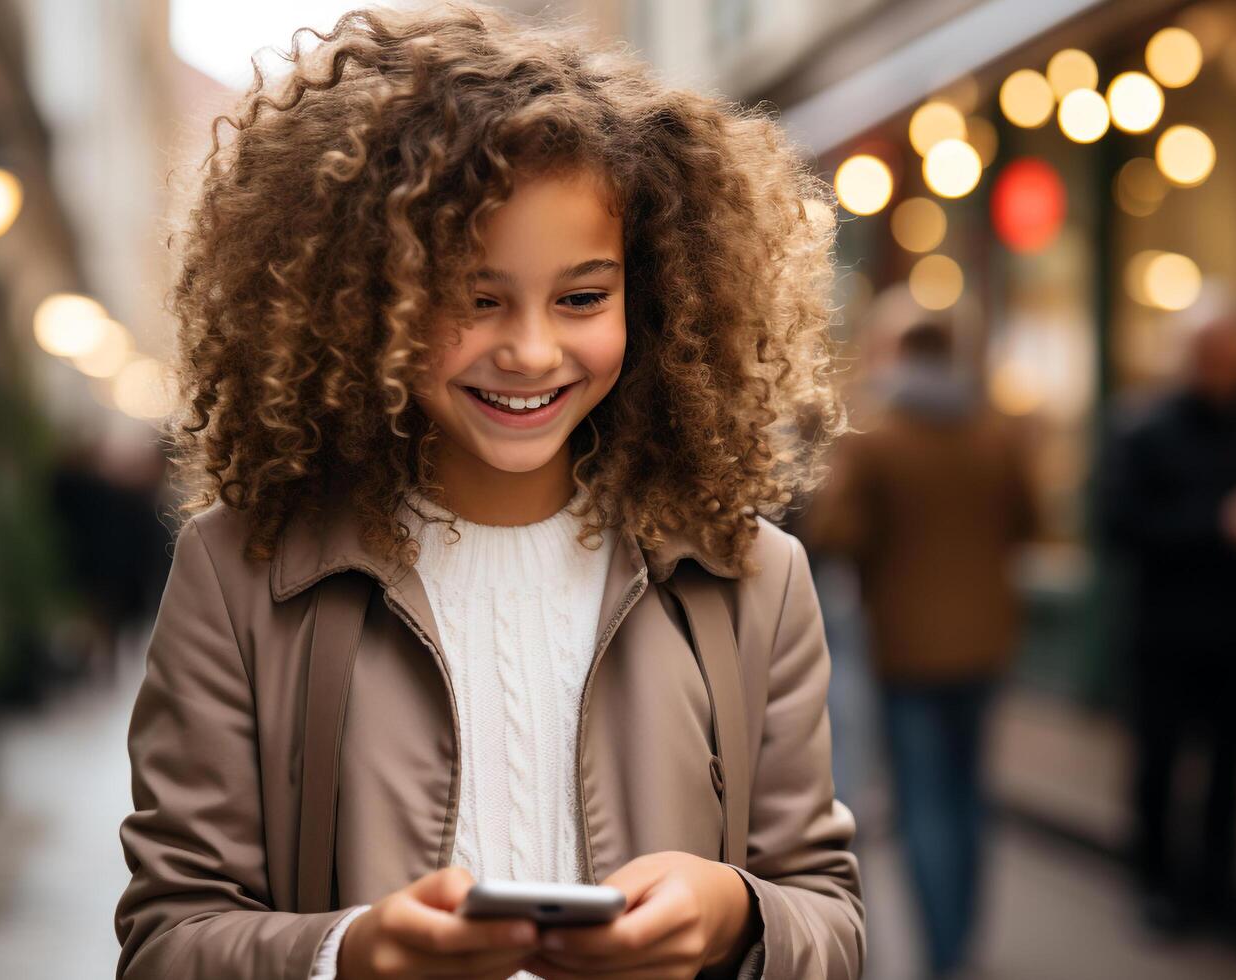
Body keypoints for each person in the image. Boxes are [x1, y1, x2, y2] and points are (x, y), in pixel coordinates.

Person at [113, 6, 863, 979]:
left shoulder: (752, 575)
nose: (531, 349)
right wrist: (352, 951)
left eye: (582, 296)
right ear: (368, 300)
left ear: (653, 293)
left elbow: (831, 916)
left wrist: (736, 913)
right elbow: (167, 940)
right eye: (474, 297)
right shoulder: (237, 572)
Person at [798, 319, 1035, 978]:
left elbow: (833, 529)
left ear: (898, 354)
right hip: (987, 643)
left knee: (923, 799)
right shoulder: (995, 430)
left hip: (904, 648)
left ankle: (940, 953)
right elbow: (1030, 521)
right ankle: (961, 943)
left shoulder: (876, 434)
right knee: (968, 794)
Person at [1099, 294, 1236, 932]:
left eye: (1233, 356)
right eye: (1211, 354)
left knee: (1231, 767)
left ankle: (1220, 883)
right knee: (1160, 761)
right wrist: (1219, 526)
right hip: (1169, 631)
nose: (1223, 366)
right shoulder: (1146, 430)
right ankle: (1156, 880)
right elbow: (1120, 524)